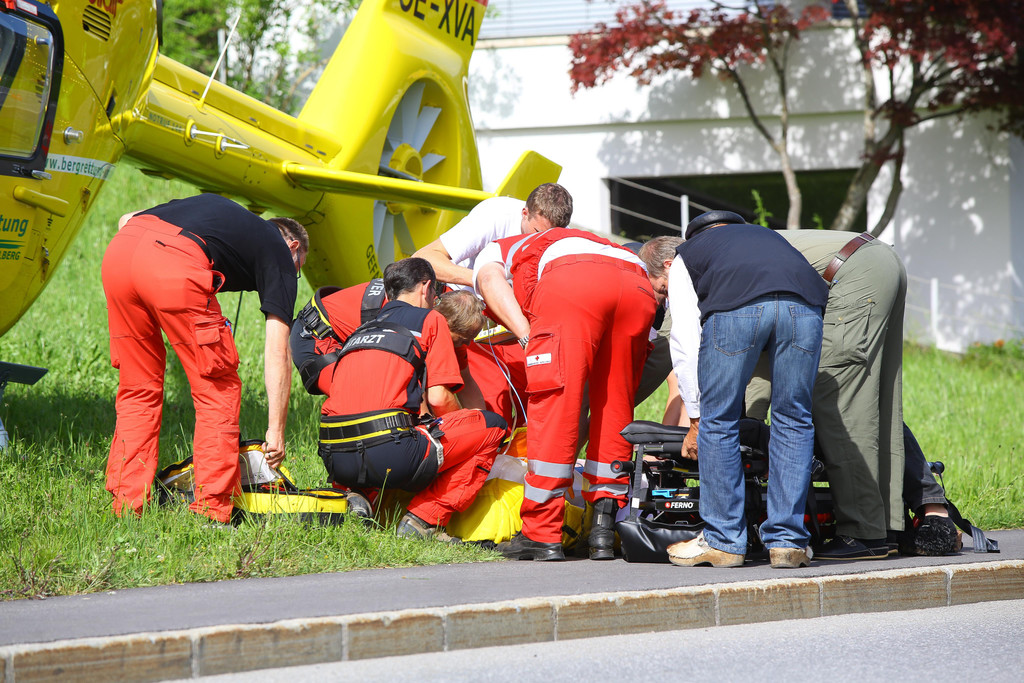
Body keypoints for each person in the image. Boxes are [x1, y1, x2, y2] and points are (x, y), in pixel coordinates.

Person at [101, 193, 307, 523]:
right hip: (173, 264)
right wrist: (276, 432)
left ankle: (127, 507)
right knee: (217, 388)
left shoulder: (220, 215)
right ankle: (212, 511)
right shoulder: (280, 253)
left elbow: (127, 218)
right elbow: (278, 350)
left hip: (120, 257)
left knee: (138, 390)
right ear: (293, 246)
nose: (288, 279)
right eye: (297, 271)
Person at [639, 211, 827, 569]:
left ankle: (724, 541)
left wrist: (695, 416)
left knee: (718, 420)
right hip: (805, 309)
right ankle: (788, 542)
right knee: (794, 419)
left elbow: (685, 340)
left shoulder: (686, 256)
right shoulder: (768, 238)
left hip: (737, 311)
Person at [475, 227, 657, 560]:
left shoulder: (497, 248)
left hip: (575, 286)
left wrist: (528, 337)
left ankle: (542, 535)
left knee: (555, 405)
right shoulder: (591, 240)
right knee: (615, 405)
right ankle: (602, 530)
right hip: (637, 287)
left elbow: (489, 281)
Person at [315, 258, 508, 541]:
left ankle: (356, 497)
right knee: (493, 427)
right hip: (388, 452)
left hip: (334, 456)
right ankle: (422, 520)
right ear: (427, 287)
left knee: (379, 423)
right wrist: (461, 424)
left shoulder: (360, 330)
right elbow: (440, 398)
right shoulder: (431, 319)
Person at [744, 229, 907, 560]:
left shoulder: (686, 274)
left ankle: (863, 532)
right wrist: (749, 417)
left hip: (849, 270)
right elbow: (759, 354)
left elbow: (668, 355)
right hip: (873, 259)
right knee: (877, 405)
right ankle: (886, 528)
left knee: (835, 404)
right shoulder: (731, 248)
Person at [413, 183, 573, 428]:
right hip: (466, 315)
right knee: (495, 400)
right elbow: (423, 259)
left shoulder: (562, 241)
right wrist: (485, 282)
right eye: (536, 231)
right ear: (524, 213)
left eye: (548, 237)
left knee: (539, 389)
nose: (539, 242)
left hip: (509, 325)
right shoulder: (495, 215)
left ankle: (516, 459)